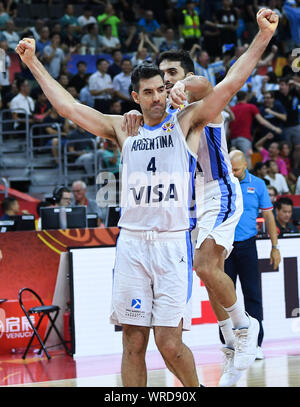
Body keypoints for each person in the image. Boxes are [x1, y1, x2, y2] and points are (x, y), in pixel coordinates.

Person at [15, 8, 279, 386]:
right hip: (133, 245)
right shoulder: (123, 129)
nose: (158, 97)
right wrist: (33, 62)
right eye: (149, 92)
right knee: (133, 344)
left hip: (172, 245)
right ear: (135, 95)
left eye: (161, 89)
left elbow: (229, 85)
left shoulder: (185, 121)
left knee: (169, 344)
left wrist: (264, 37)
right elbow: (69, 108)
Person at [223, 150, 281, 362]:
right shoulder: (223, 182)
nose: (233, 172)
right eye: (230, 169)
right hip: (224, 246)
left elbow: (268, 215)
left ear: (245, 164)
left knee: (252, 295)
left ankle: (256, 344)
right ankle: (230, 343)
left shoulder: (258, 184)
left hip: (248, 245)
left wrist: (275, 246)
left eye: (236, 169)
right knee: (225, 296)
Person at [229, 90, 283, 166]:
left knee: (234, 163)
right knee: (246, 163)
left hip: (233, 139)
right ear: (246, 98)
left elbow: (228, 127)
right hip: (245, 138)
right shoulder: (250, 107)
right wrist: (275, 128)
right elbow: (262, 121)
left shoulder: (232, 109)